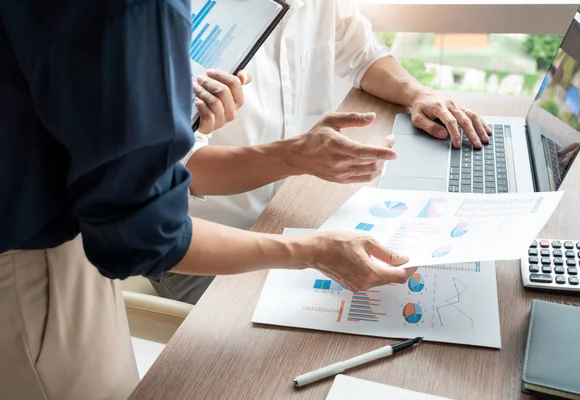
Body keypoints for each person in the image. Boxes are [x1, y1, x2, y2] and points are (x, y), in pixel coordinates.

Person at [0, 2, 416, 399]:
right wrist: (311, 249)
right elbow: (145, 233)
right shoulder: (146, 13)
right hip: (43, 253)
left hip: (81, 226)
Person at [150, 0, 492, 304]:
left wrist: (417, 93)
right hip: (205, 247)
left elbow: (362, 54)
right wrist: (296, 156)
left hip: (287, 214)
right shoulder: (173, 18)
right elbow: (178, 171)